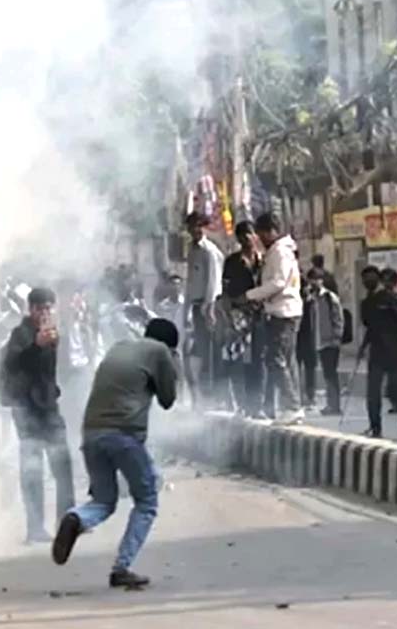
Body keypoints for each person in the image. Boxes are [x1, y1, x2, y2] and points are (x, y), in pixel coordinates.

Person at [51, 318, 179, 589]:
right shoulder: (160, 352)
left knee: (103, 500)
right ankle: (122, 567)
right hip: (124, 435)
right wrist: (172, 365)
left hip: (91, 433)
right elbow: (168, 399)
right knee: (147, 500)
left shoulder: (119, 347)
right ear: (170, 346)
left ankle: (76, 517)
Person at [2, 287, 75, 543]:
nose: (44, 312)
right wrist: (36, 346)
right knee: (32, 471)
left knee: (62, 465)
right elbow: (13, 364)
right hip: (26, 410)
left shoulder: (52, 333)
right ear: (31, 309)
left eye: (48, 307)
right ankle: (34, 528)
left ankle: (67, 520)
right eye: (40, 308)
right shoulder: (20, 334)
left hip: (49, 408)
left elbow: (52, 371)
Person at [246, 211, 305, 424]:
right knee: (286, 361)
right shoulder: (278, 251)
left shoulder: (280, 251)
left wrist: (251, 295)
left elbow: (278, 282)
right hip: (282, 310)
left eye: (262, 234)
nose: (260, 238)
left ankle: (292, 406)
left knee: (276, 359)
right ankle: (294, 406)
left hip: (284, 311)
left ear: (272, 231)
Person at [359, 266, 397, 438]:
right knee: (373, 392)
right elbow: (369, 325)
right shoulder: (368, 302)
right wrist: (363, 347)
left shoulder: (396, 298)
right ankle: (375, 427)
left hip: (395, 350)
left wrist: (391, 303)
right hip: (377, 351)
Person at [221, 220, 265, 416]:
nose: (248, 239)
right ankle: (243, 403)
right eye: (243, 236)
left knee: (259, 360)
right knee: (240, 361)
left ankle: (258, 404)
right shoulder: (232, 262)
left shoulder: (263, 260)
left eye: (250, 234)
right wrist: (229, 317)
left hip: (260, 315)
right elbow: (225, 292)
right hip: (239, 317)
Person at [184, 212, 224, 406]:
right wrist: (187, 309)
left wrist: (209, 307)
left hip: (209, 306)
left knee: (211, 351)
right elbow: (190, 282)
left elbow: (213, 282)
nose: (195, 230)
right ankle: (203, 394)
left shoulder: (209, 251)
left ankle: (214, 394)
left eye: (198, 226)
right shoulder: (192, 250)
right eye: (192, 226)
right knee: (200, 350)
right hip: (196, 305)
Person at [309, 268, 344, 415]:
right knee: (327, 373)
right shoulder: (312, 299)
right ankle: (331, 404)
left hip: (330, 342)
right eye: (311, 280)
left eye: (316, 279)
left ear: (321, 280)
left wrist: (336, 336)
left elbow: (338, 319)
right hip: (319, 341)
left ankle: (334, 405)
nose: (313, 283)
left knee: (331, 374)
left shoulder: (330, 297)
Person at [297, 271, 319, 409]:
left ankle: (310, 396)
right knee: (298, 368)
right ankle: (301, 396)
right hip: (300, 338)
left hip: (309, 339)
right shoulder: (299, 302)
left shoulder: (311, 302)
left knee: (309, 368)